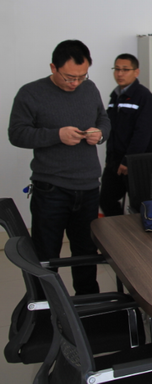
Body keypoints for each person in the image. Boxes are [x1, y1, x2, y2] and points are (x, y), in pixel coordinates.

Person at [8, 40, 110, 295]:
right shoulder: (30, 93)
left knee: (86, 252)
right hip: (51, 189)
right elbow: (17, 134)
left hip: (88, 187)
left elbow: (103, 118)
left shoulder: (90, 88)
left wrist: (100, 133)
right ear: (53, 67)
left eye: (82, 76)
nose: (75, 83)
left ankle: (88, 303)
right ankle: (46, 306)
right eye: (69, 77)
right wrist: (57, 135)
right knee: (46, 255)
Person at [99, 54, 152, 216]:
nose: (120, 74)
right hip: (115, 160)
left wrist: (128, 160)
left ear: (136, 72)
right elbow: (112, 130)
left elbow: (144, 134)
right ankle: (120, 229)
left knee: (140, 207)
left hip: (136, 162)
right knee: (106, 200)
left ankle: (135, 232)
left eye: (125, 70)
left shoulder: (144, 96)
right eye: (117, 69)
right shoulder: (115, 95)